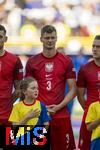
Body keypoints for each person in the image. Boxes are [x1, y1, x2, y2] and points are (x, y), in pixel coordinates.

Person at [25, 25, 76, 150]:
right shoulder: (32, 61)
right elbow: (27, 89)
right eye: (47, 38)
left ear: (56, 38)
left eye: (52, 38)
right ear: (41, 39)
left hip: (60, 114)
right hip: (38, 115)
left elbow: (73, 89)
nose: (50, 40)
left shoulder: (66, 61)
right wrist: (41, 108)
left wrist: (59, 106)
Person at [77, 35, 100, 150]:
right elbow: (80, 95)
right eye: (93, 46)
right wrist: (89, 111)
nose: (95, 49)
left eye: (98, 47)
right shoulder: (85, 69)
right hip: (90, 118)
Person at [0, 24, 23, 125]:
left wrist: (8, 103)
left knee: (7, 141)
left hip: (7, 114)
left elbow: (18, 89)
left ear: (5, 39)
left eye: (0, 37)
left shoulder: (14, 60)